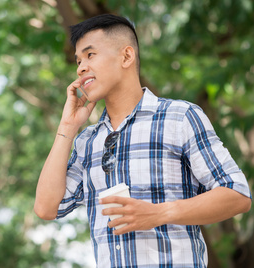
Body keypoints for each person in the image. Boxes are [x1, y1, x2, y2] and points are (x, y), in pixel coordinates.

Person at [34, 14, 252, 267]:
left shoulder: (179, 117)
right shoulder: (87, 140)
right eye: (78, 60)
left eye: (90, 55)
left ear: (127, 56)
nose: (80, 67)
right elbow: (46, 208)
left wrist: (159, 213)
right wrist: (67, 127)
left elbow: (237, 194)